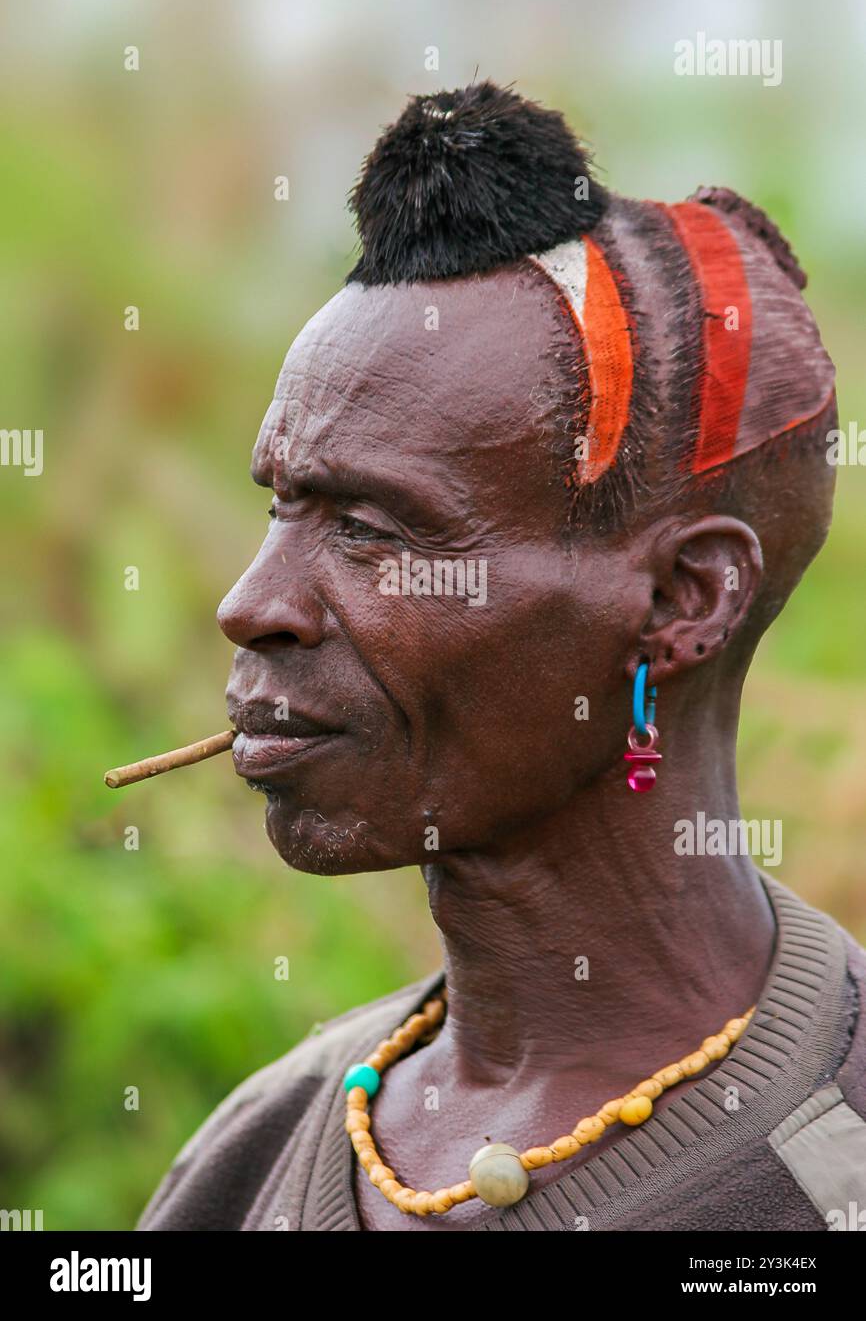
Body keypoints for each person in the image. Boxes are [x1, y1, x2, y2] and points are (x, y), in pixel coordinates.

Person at [136, 81, 866, 1232]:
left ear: (682, 598)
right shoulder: (256, 1153)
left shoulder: (827, 1177)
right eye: (280, 507)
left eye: (370, 530)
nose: (251, 604)